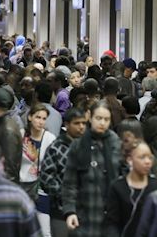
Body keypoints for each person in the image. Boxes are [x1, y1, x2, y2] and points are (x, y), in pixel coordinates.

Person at [62, 101, 122, 237]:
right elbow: (70, 183)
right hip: (84, 214)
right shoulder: (78, 145)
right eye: (98, 118)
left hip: (112, 218)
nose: (102, 123)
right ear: (90, 116)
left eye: (106, 119)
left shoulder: (116, 144)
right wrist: (70, 211)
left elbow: (125, 180)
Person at [40, 108, 87, 237]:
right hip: (60, 211)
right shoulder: (56, 147)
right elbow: (46, 179)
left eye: (84, 123)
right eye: (77, 123)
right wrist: (67, 194)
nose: (81, 127)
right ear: (67, 125)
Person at [106, 139, 157, 237]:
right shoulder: (118, 186)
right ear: (129, 160)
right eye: (142, 157)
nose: (147, 161)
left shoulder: (155, 186)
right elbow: (112, 223)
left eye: (150, 157)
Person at [20, 103, 56, 237]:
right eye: (38, 117)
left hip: (41, 188)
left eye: (44, 118)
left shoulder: (50, 138)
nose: (41, 121)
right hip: (22, 185)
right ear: (30, 117)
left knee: (45, 230)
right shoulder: (21, 135)